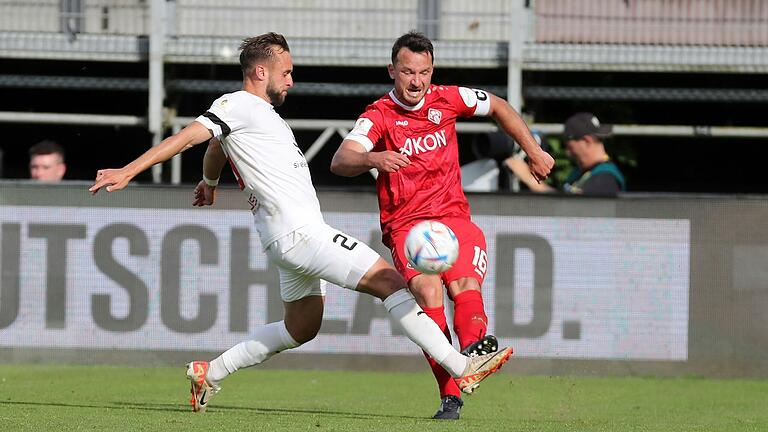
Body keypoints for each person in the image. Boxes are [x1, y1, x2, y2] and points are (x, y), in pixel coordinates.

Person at [88, 32, 512, 414]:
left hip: (284, 243)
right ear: (260, 71)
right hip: (301, 235)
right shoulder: (237, 103)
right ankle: (462, 365)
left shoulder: (256, 116)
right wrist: (129, 170)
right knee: (390, 283)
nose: (291, 80)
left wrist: (209, 181)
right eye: (286, 72)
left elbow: (217, 144)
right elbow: (191, 135)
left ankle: (210, 371)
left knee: (301, 327)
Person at [330, 31, 554, 420]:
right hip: (408, 227)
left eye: (424, 72)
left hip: (453, 218)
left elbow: (498, 106)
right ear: (392, 71)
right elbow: (341, 159)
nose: (416, 81)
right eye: (407, 72)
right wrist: (374, 158)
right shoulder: (378, 116)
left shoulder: (447, 98)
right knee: (428, 290)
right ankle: (451, 393)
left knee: (465, 285)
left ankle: (473, 353)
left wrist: (532, 150)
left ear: (432, 71)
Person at [506, 112, 626, 196]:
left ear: (586, 141)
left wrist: (531, 181)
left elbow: (573, 210)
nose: (568, 151)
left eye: (569, 145)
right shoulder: (582, 173)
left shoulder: (605, 178)